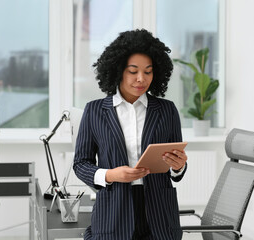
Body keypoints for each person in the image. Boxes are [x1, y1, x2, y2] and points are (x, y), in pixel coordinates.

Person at [73, 29, 188, 240]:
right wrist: (110, 175)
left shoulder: (167, 110)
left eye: (148, 71)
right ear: (118, 70)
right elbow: (81, 164)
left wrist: (178, 166)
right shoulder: (95, 111)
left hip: (160, 213)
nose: (141, 79)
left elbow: (176, 170)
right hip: (113, 213)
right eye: (133, 71)